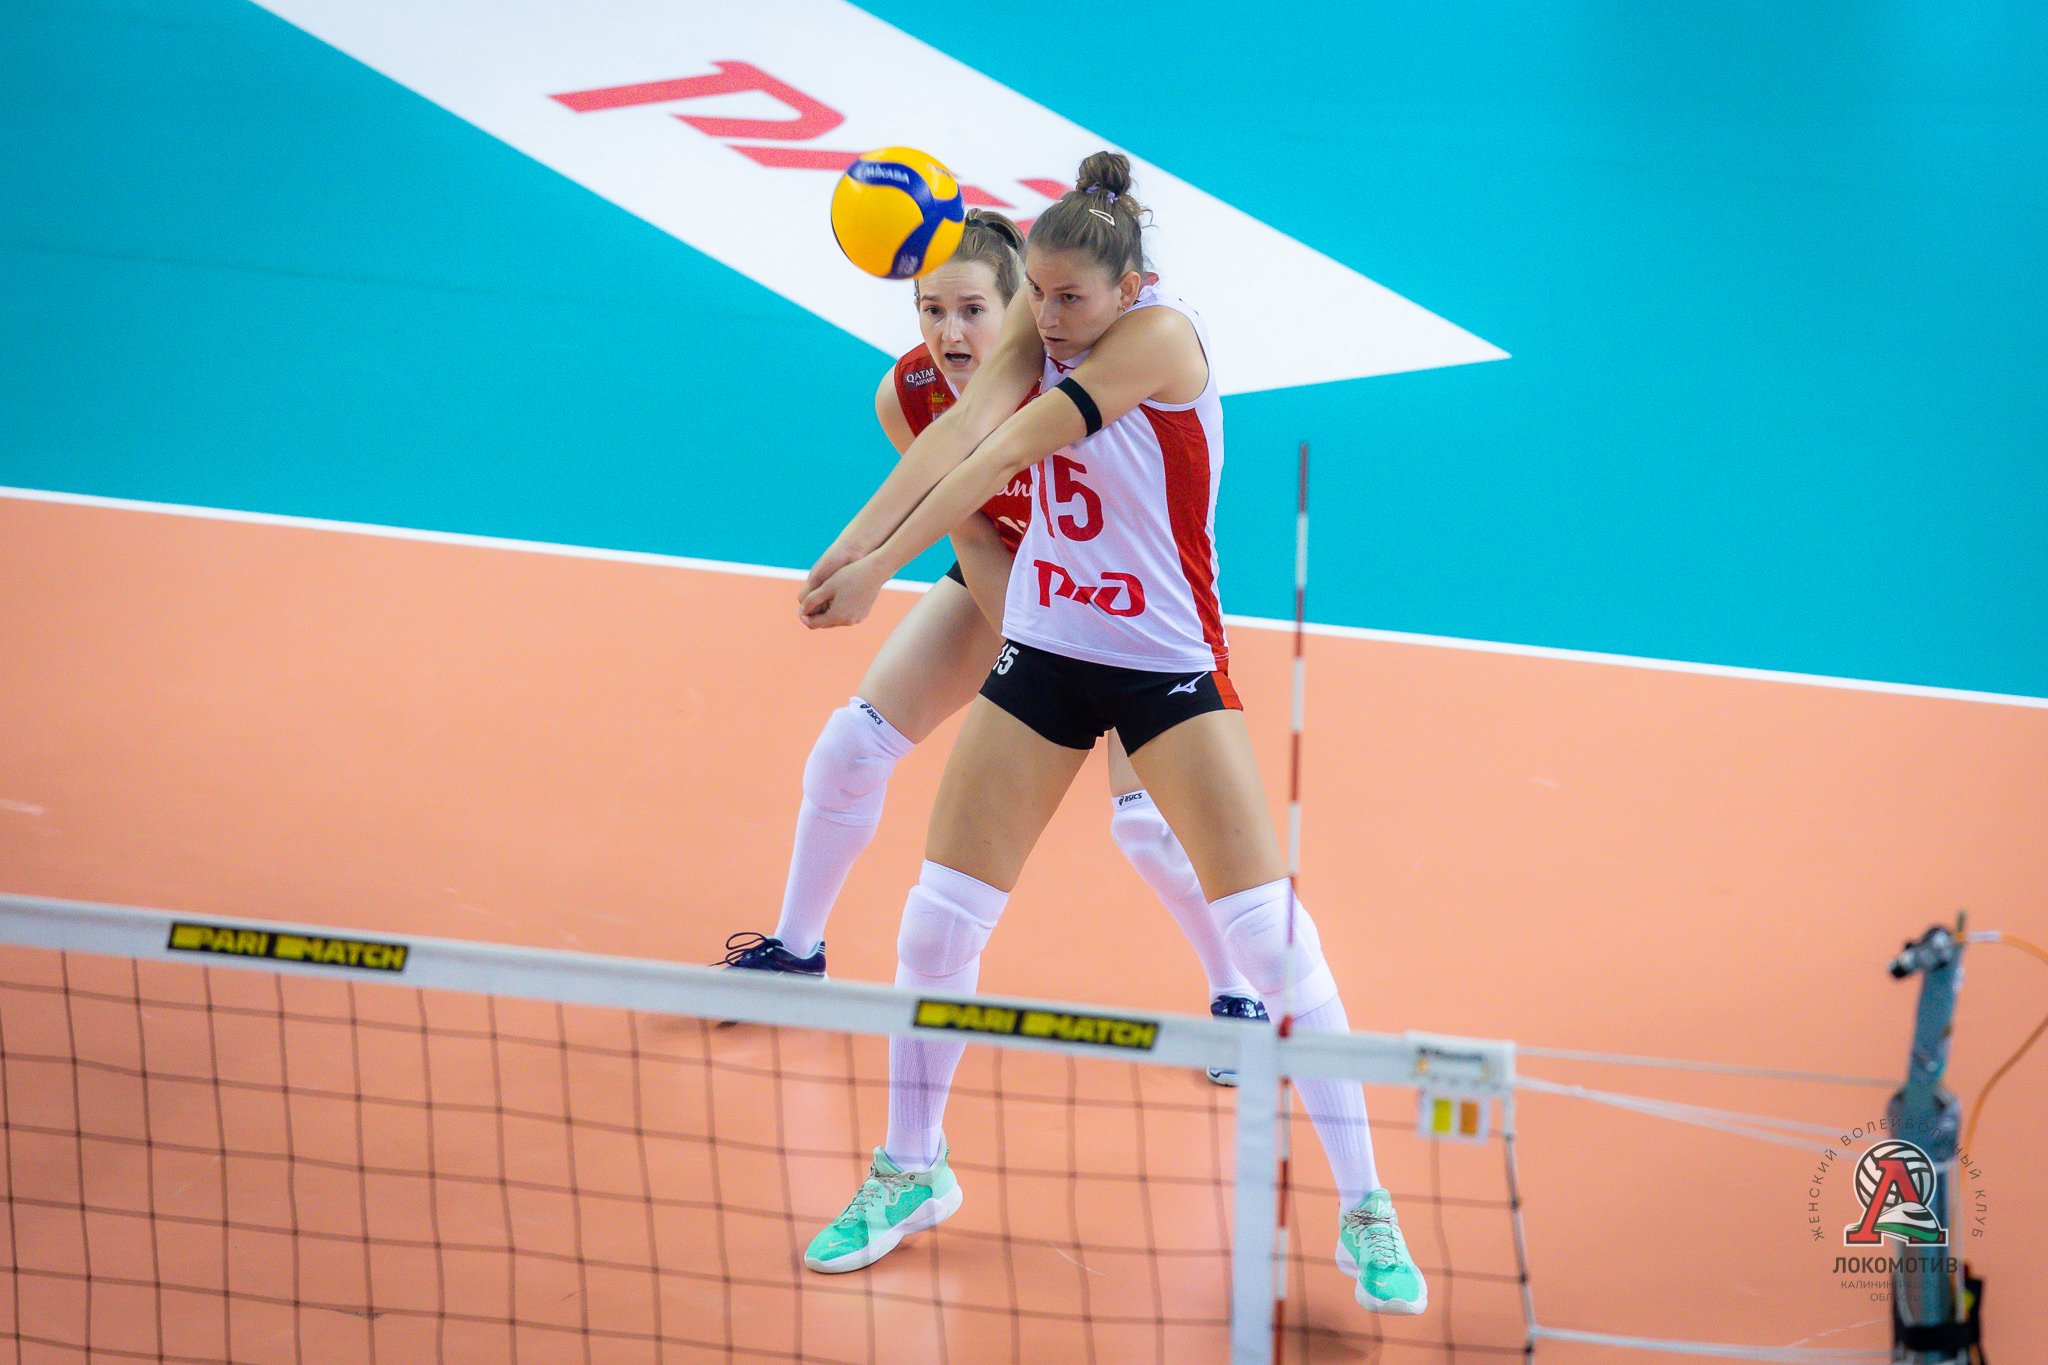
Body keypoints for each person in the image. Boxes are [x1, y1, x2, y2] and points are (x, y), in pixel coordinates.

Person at [791, 155, 1427, 1315]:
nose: (1044, 318)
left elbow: (1000, 450)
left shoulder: (1158, 343)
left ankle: (1364, 1206)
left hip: (1162, 666)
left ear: (1128, 287)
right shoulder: (1042, 330)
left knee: (1271, 940)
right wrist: (848, 549)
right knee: (936, 923)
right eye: (1034, 294)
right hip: (1044, 651)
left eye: (1068, 298)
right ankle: (910, 1167)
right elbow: (951, 433)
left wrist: (881, 567)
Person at [723, 208, 1267, 1085]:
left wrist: (1064, 684)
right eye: (931, 310)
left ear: (1017, 307)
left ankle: (1238, 993)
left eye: (973, 310)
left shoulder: (1071, 367)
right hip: (1015, 587)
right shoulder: (910, 395)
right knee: (850, 746)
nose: (950, 334)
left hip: (1128, 611)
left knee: (1146, 830)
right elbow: (974, 533)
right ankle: (795, 949)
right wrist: (1031, 681)